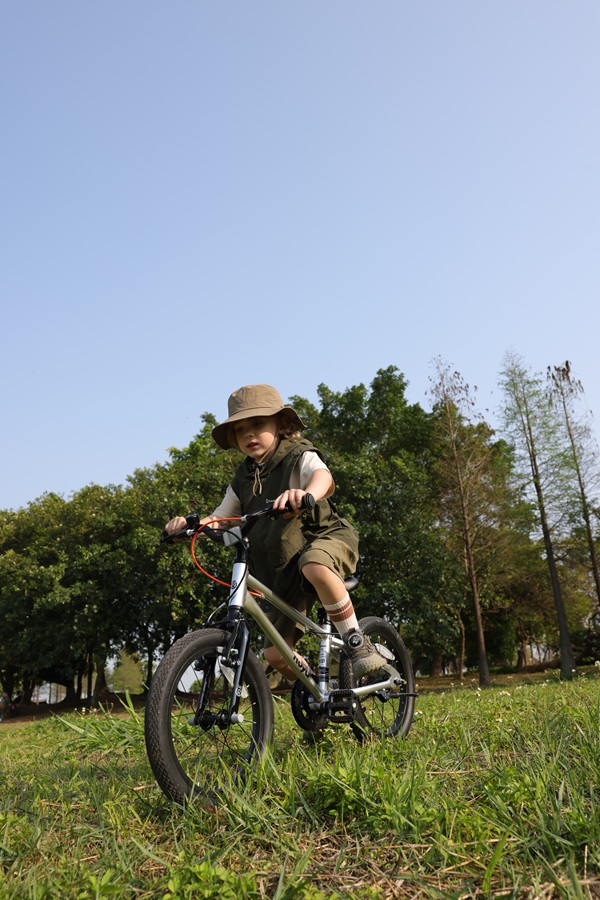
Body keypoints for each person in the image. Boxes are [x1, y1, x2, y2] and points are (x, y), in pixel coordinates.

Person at [165, 384, 396, 684]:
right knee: (275, 655)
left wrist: (305, 494)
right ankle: (318, 691)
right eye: (239, 429)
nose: (248, 434)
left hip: (323, 538)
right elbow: (223, 517)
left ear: (282, 424)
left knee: (314, 564)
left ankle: (356, 642)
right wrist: (190, 526)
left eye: (257, 424)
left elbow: (323, 477)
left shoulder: (297, 454)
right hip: (285, 567)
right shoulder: (244, 477)